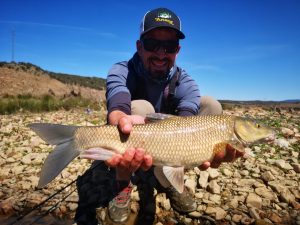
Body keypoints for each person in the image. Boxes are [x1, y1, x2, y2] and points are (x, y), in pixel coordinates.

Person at [76, 7, 243, 224]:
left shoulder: (186, 82)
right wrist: (119, 119)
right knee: (140, 108)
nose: (161, 53)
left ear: (178, 50)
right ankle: (123, 185)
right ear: (139, 46)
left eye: (169, 46)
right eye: (152, 44)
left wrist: (200, 148)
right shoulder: (121, 70)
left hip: (168, 133)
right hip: (132, 128)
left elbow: (187, 122)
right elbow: (118, 105)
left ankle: (172, 181)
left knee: (211, 105)